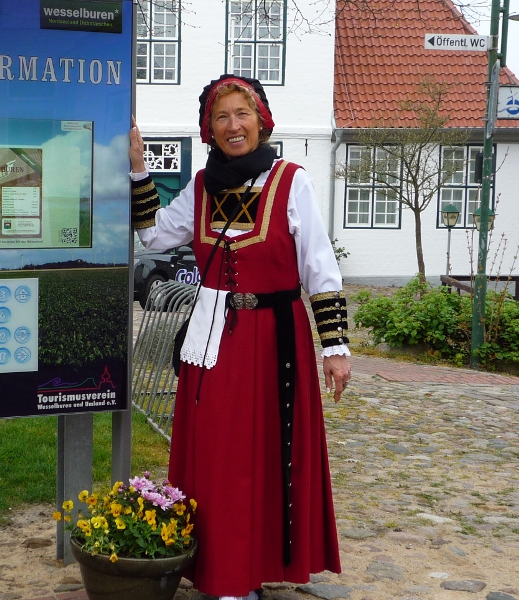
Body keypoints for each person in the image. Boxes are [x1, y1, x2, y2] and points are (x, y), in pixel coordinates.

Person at [129, 75, 351, 600]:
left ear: (261, 121)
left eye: (242, 115)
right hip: (214, 341)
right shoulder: (203, 186)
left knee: (268, 455)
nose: (233, 126)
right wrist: (139, 169)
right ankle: (226, 574)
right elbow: (154, 234)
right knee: (219, 453)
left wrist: (335, 348)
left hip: (276, 340)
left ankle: (260, 563)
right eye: (222, 117)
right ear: (210, 128)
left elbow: (320, 267)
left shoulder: (291, 181)